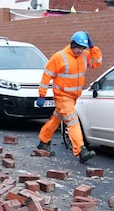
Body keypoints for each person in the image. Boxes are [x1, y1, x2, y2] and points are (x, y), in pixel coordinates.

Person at [36, 31, 102, 163]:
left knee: (56, 119)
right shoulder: (59, 57)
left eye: (83, 48)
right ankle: (81, 150)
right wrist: (42, 95)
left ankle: (43, 141)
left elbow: (97, 62)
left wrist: (93, 47)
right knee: (72, 121)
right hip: (62, 96)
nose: (80, 51)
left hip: (73, 97)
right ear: (72, 44)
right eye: (78, 48)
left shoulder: (85, 55)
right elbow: (46, 75)